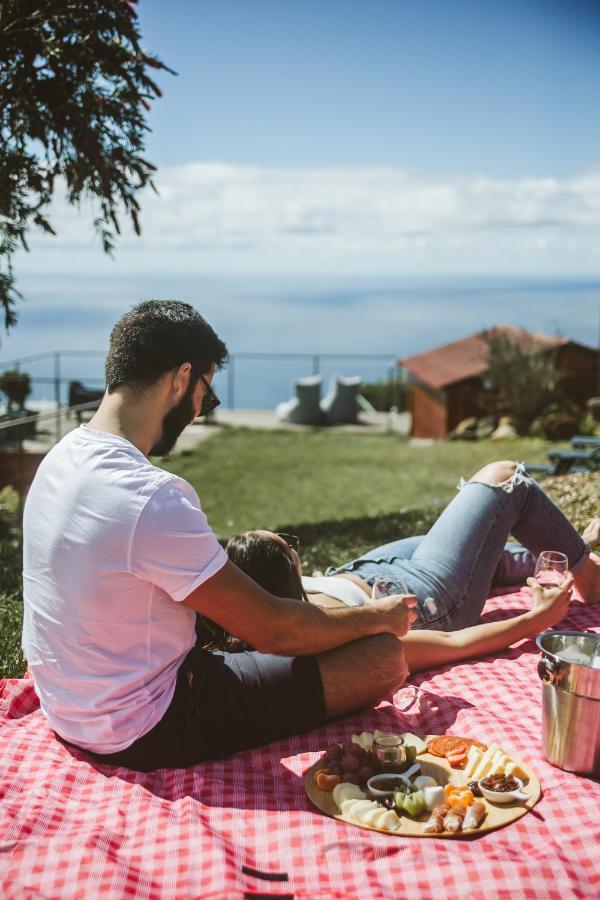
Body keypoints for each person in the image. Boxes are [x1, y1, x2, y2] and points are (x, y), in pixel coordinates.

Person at [21, 299, 418, 773]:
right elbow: (274, 630)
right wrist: (375, 617)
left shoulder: (60, 460)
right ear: (180, 377)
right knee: (383, 658)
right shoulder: (149, 496)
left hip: (70, 708)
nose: (198, 414)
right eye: (205, 397)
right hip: (145, 725)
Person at [216, 473, 600, 674]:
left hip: (364, 569)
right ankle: (587, 572)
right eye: (289, 544)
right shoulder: (328, 635)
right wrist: (537, 619)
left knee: (486, 546)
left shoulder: (260, 604)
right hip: (419, 595)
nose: (293, 544)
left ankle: (572, 548)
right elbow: (456, 645)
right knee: (504, 482)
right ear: (283, 575)